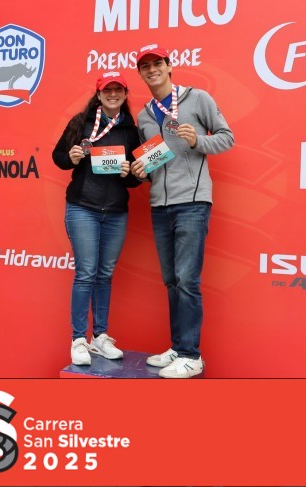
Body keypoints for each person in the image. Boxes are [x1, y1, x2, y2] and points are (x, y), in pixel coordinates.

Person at [130, 44, 234, 378]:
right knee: (172, 281)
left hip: (192, 202)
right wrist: (141, 170)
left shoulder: (197, 98)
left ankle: (192, 355)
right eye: (145, 66)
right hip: (160, 205)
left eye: (157, 63)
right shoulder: (145, 115)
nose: (152, 70)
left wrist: (197, 142)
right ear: (141, 73)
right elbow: (155, 159)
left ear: (169, 65)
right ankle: (178, 347)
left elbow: (227, 138)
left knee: (187, 280)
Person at [52, 71, 141, 366]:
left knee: (105, 274)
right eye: (107, 90)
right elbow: (58, 157)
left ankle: (100, 337)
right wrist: (72, 157)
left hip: (116, 211)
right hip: (83, 208)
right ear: (99, 94)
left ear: (125, 94)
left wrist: (130, 174)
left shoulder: (131, 130)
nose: (113, 94)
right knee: (86, 273)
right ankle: (78, 339)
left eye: (118, 90)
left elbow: (138, 177)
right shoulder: (81, 122)